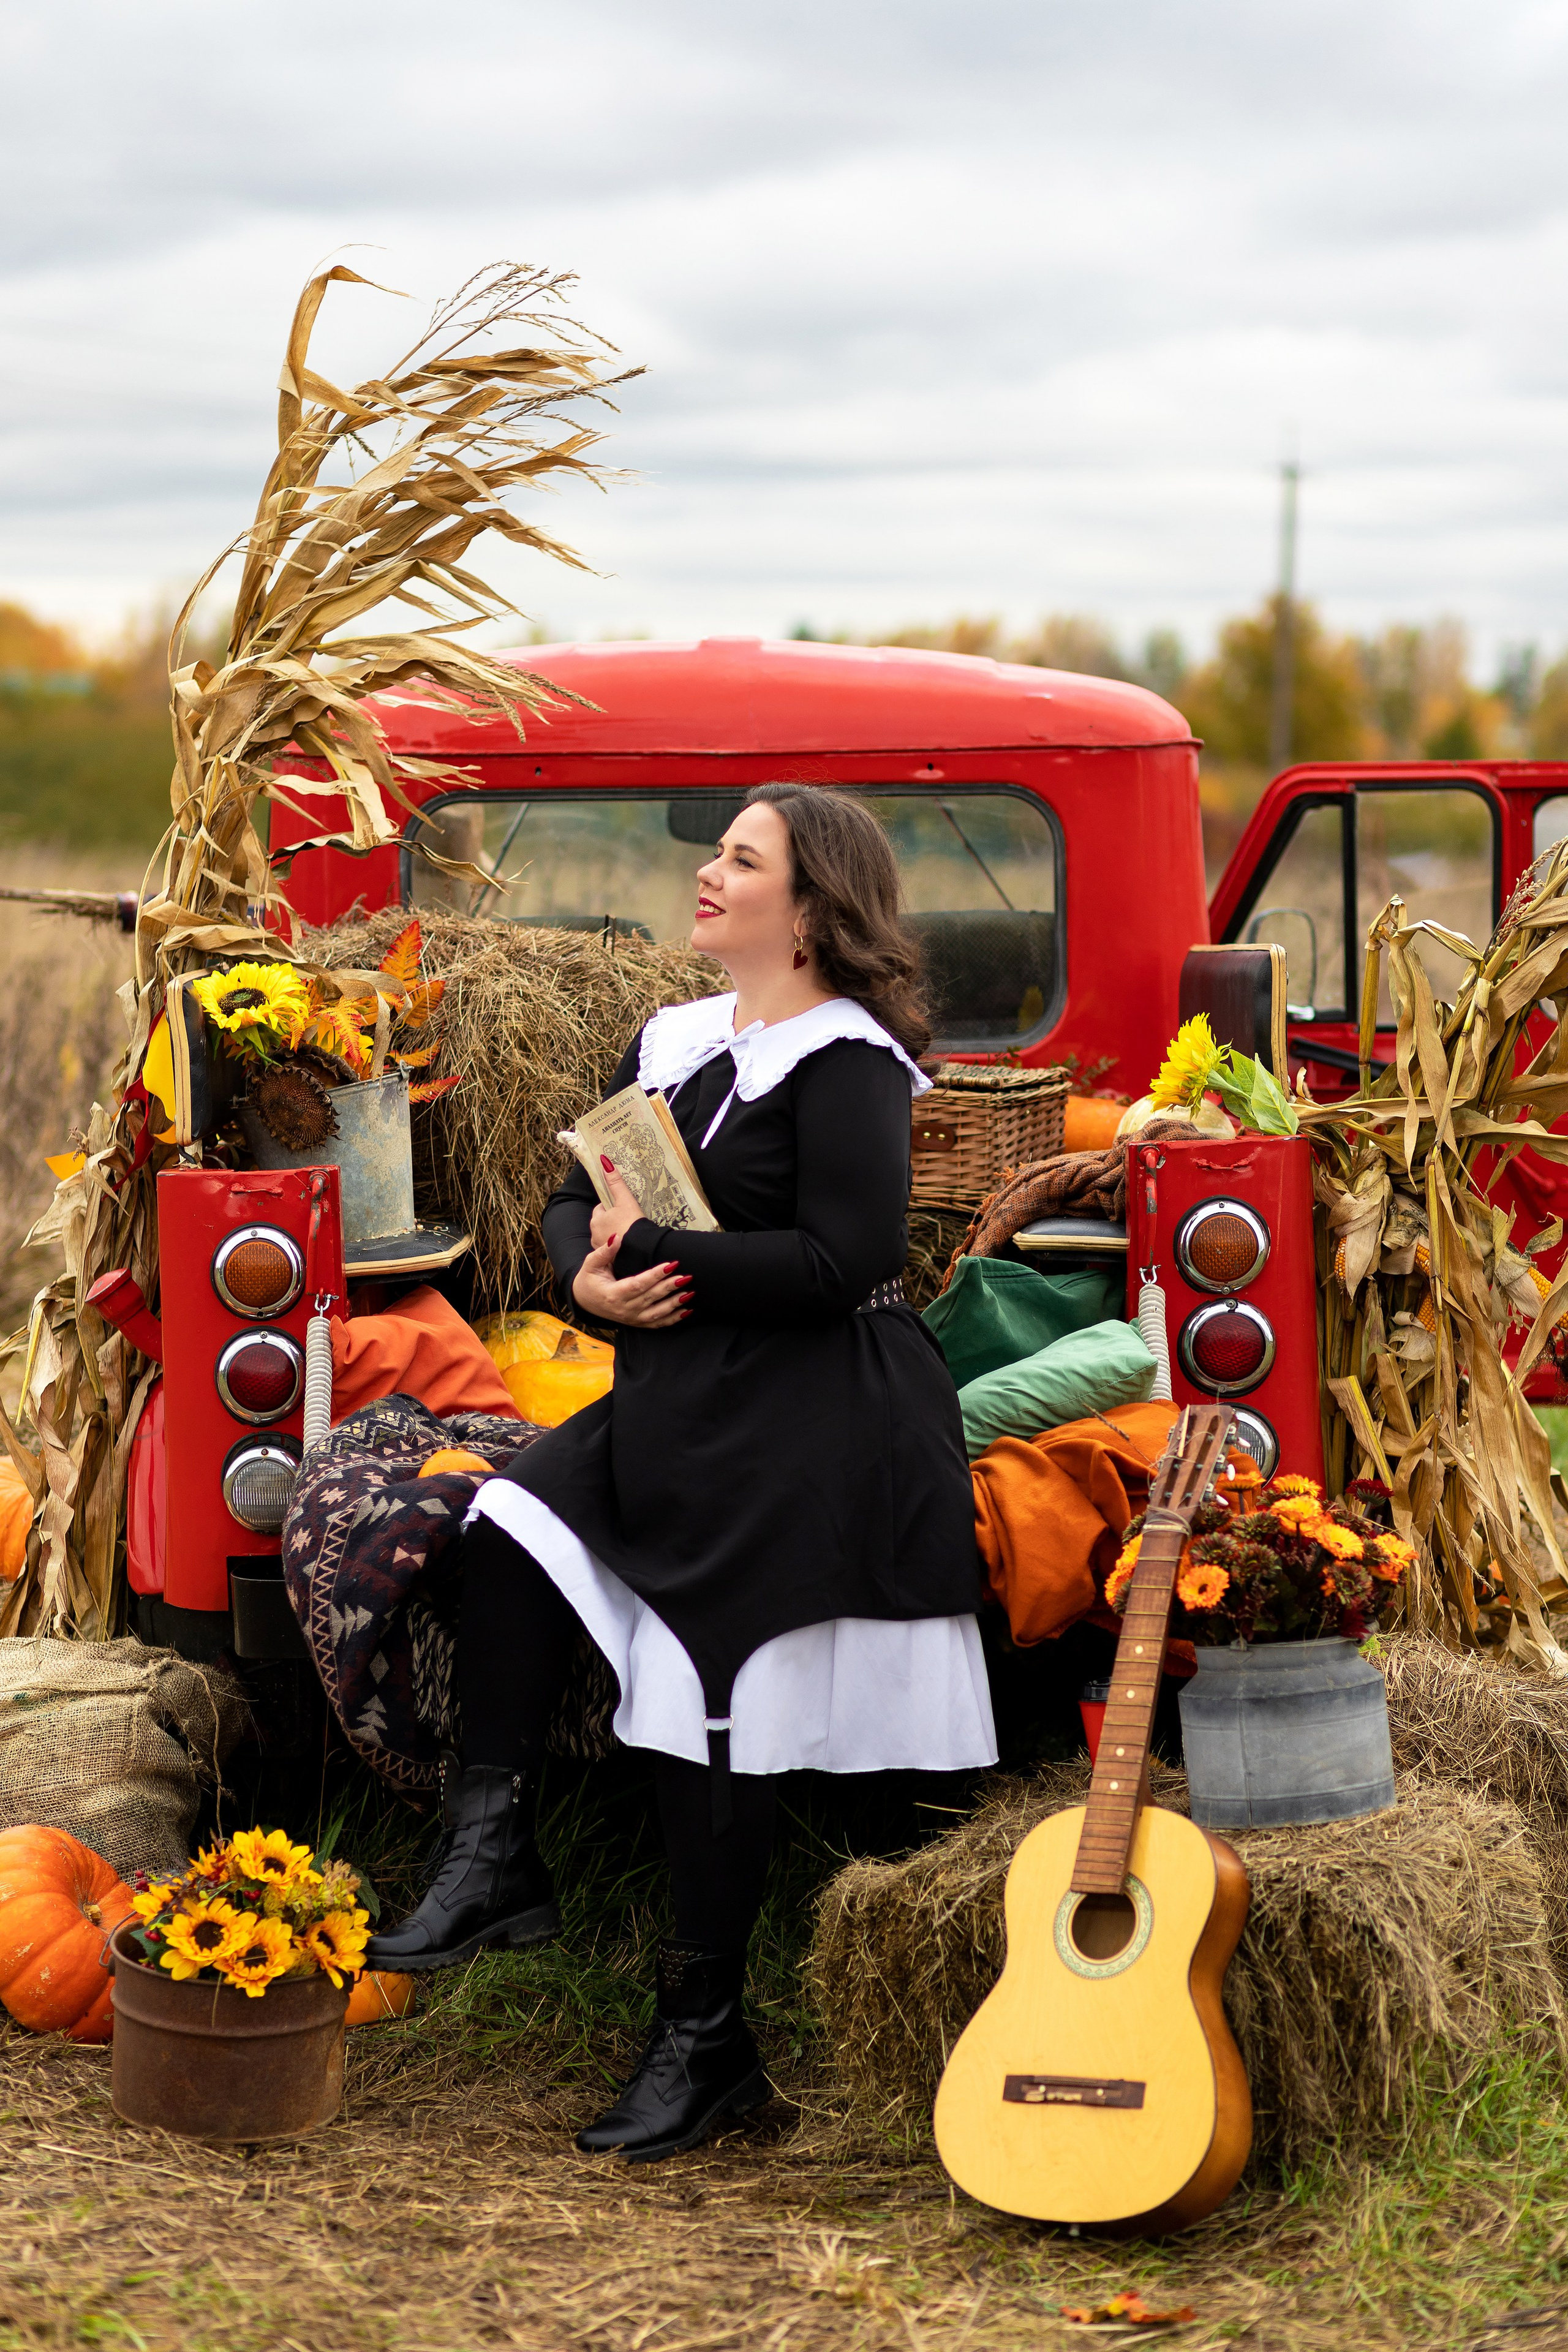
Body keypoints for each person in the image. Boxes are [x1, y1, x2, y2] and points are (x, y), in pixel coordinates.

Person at [368, 784, 997, 2158]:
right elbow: (573, 1199)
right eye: (715, 854)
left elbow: (850, 1260)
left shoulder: (846, 1059)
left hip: (821, 1410)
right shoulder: (681, 1040)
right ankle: (493, 1854)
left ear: (815, 909)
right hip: (684, 1388)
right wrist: (586, 1280)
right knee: (508, 1527)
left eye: (739, 858)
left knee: (722, 1681)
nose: (707, 875)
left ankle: (706, 2040)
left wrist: (660, 1260)